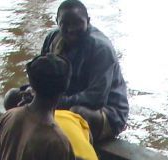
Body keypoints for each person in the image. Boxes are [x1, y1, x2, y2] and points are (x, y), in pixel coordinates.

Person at [38, 0, 129, 142]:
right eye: (65, 24)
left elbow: (96, 98)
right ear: (57, 22)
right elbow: (40, 75)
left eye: (78, 23)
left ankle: (72, 155)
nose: (71, 29)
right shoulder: (52, 39)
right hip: (61, 102)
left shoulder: (101, 48)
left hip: (106, 112)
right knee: (13, 97)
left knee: (77, 113)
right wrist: (32, 92)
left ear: (88, 21)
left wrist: (55, 102)